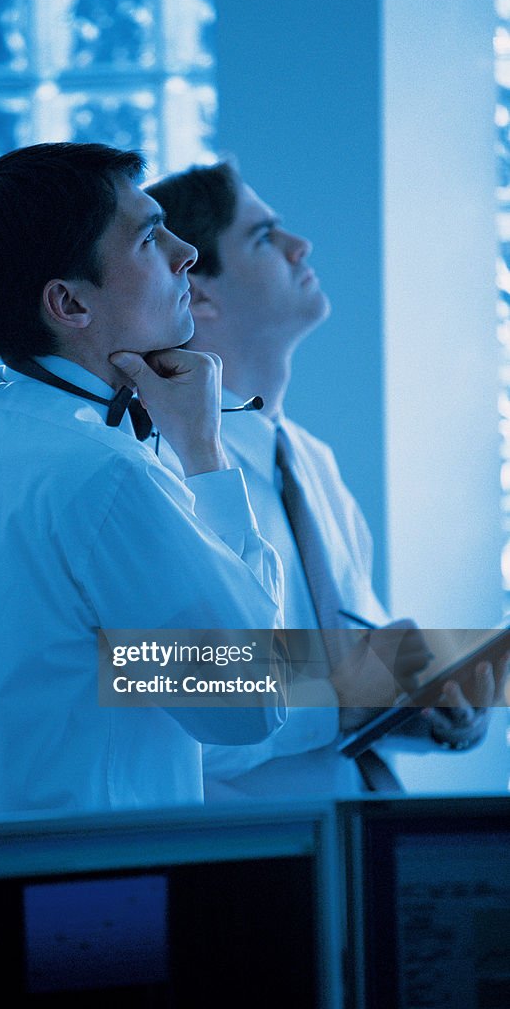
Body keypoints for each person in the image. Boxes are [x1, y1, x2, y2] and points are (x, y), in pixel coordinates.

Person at [0, 143, 289, 831]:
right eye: (148, 236)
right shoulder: (109, 474)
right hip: (70, 891)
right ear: (69, 302)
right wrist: (202, 451)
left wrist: (12, 673)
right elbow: (247, 704)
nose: (184, 252)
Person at [145, 160, 508, 797]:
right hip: (255, 860)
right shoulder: (162, 468)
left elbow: (354, 675)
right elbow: (170, 707)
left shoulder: (310, 460)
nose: (300, 246)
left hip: (359, 834)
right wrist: (346, 691)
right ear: (198, 291)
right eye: (264, 237)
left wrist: (434, 711)